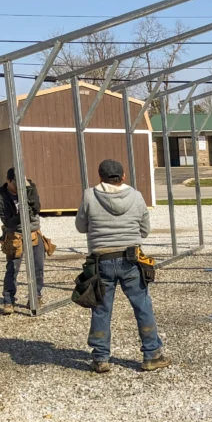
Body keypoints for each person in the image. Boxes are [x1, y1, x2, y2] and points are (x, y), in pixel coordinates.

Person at [76, 159, 170, 374]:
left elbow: (81, 226)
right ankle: (152, 355)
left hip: (101, 261)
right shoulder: (136, 196)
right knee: (142, 306)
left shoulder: (89, 195)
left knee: (101, 309)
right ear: (123, 176)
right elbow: (145, 230)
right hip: (131, 260)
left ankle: (100, 358)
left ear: (100, 176)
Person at [0, 167, 45, 314]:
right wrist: (24, 214)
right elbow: (8, 221)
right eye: (16, 184)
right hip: (14, 235)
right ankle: (8, 300)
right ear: (8, 181)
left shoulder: (29, 187)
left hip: (33, 232)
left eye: (22, 184)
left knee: (38, 267)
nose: (19, 188)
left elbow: (36, 208)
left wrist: (28, 191)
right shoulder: (1, 195)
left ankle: (35, 296)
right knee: (12, 269)